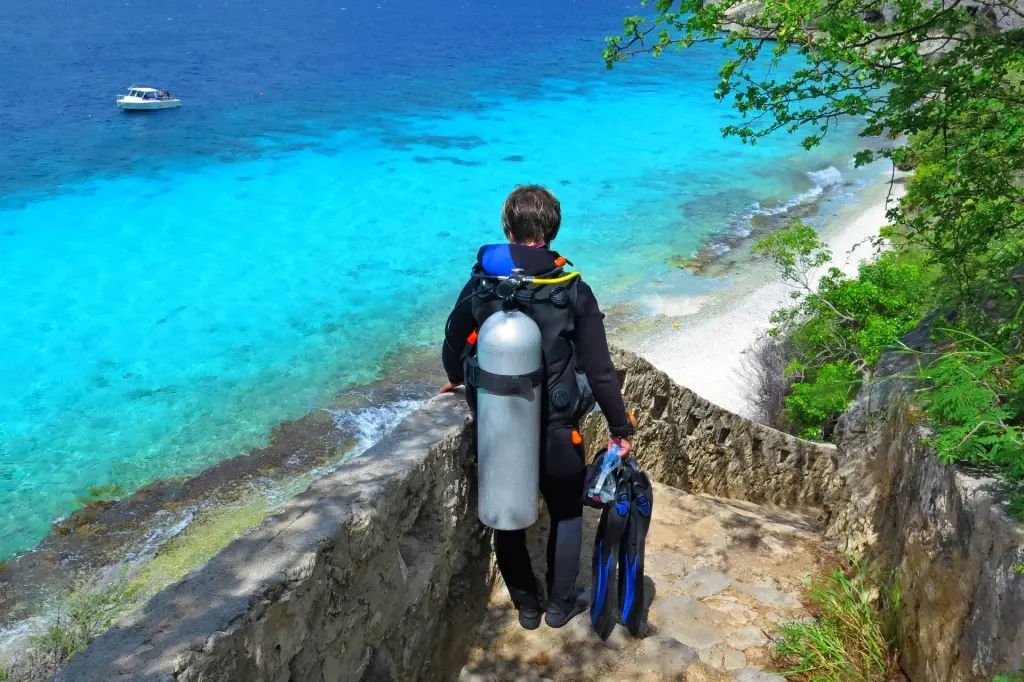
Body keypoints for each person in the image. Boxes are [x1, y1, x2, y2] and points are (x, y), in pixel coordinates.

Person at [441, 184, 634, 630]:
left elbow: (453, 342)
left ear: (507, 229)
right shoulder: (572, 290)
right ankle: (558, 606)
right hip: (556, 428)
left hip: (500, 425)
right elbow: (601, 372)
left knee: (506, 518)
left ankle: (527, 605)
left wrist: (455, 377)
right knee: (566, 512)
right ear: (553, 229)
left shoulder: (483, 284)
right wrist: (621, 428)